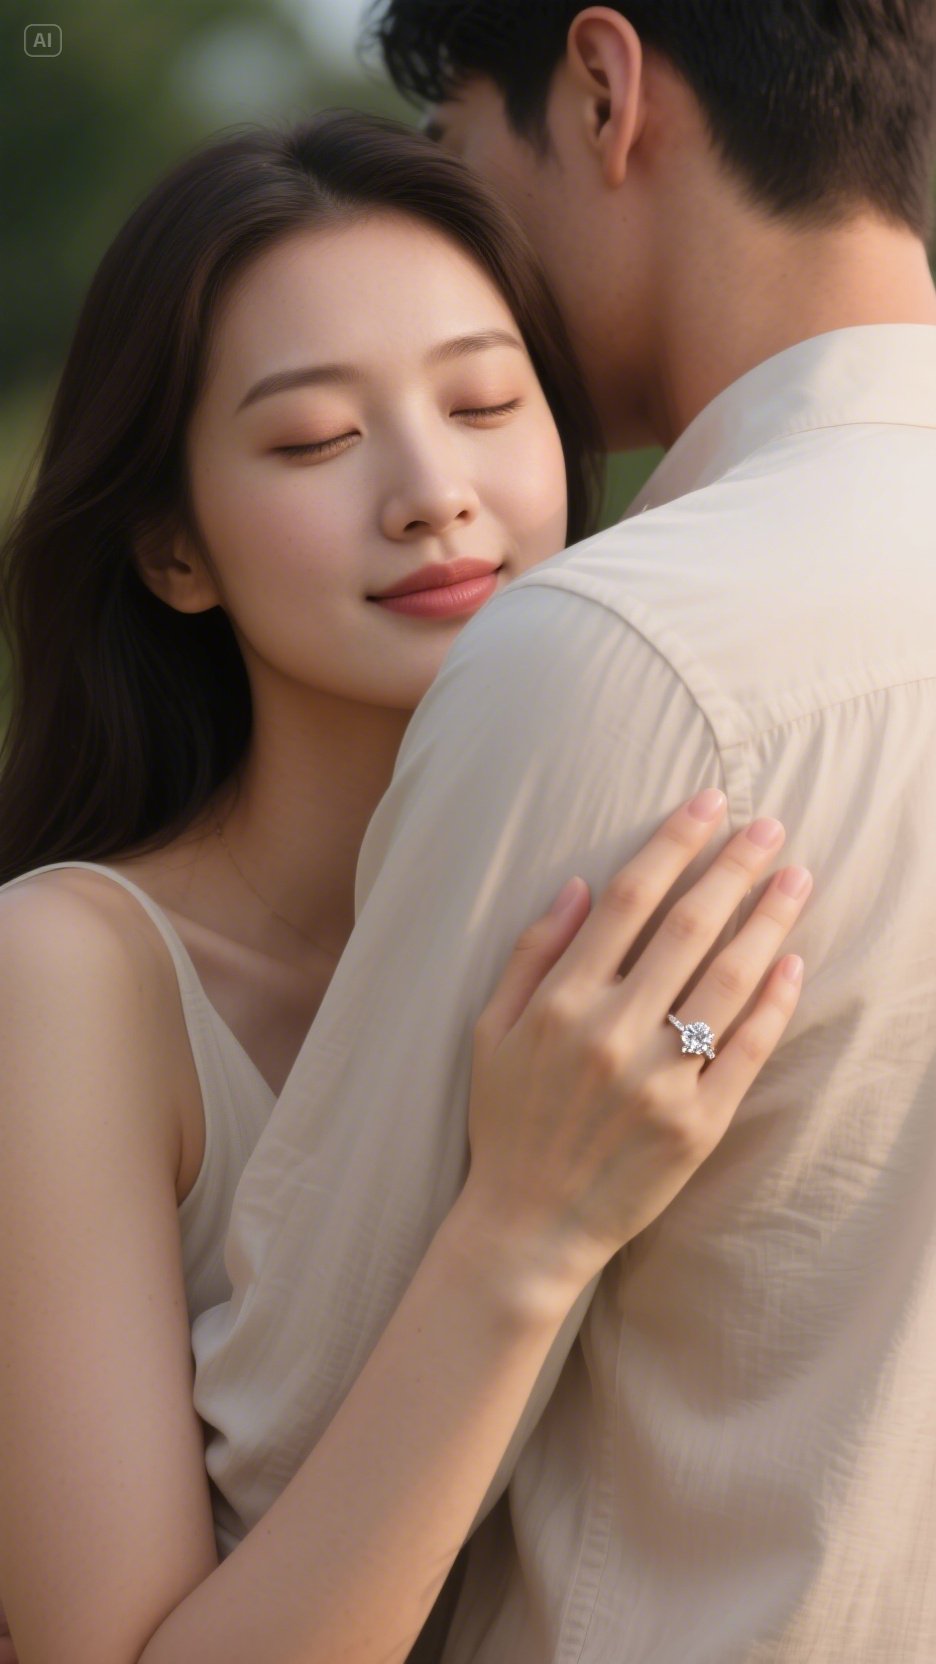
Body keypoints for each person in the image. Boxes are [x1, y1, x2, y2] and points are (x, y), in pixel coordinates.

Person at [0, 111, 808, 1664]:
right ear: (173, 549)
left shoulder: (652, 861)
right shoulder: (72, 976)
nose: (434, 491)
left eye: (487, 403)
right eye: (313, 440)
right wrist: (525, 1232)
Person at [180, 4, 936, 1662]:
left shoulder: (621, 657)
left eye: (458, 150)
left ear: (602, 89)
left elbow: (265, 1486)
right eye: (314, 435)